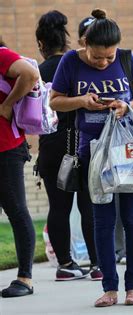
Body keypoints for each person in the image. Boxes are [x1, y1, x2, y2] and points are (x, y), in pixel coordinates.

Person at [50, 9, 133, 307]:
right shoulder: (70, 61)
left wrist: (127, 104)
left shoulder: (127, 58)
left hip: (127, 151)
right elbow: (54, 100)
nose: (104, 62)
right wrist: (81, 101)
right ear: (85, 44)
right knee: (103, 220)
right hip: (92, 152)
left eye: (109, 57)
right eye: (98, 57)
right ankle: (109, 287)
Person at [35, 10, 102, 281]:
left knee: (58, 207)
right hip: (83, 141)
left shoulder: (38, 71)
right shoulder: (77, 64)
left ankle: (65, 265)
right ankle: (98, 264)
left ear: (41, 44)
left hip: (51, 145)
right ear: (66, 40)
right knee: (89, 205)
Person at [0, 41, 39, 298]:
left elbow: (30, 74)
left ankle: (25, 278)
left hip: (6, 147)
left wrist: (7, 105)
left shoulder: (2, 55)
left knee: (16, 210)